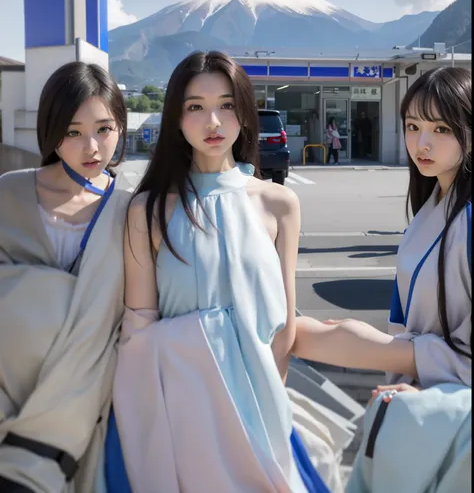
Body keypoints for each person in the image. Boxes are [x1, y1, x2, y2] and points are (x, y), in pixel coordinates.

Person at [105, 51, 330, 492]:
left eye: (227, 105)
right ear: (175, 118)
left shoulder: (279, 204)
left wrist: (266, 402)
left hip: (261, 412)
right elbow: (139, 330)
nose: (213, 121)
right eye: (195, 107)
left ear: (245, 114)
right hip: (183, 417)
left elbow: (283, 323)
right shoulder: (148, 210)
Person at [292, 67, 472, 492]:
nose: (420, 143)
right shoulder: (433, 208)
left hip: (443, 418)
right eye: (412, 126)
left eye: (441, 128)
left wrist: (393, 357)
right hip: (418, 409)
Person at [0, 62, 132, 492]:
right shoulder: (9, 192)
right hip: (8, 388)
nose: (91, 147)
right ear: (50, 130)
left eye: (104, 129)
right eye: (73, 132)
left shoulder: (132, 209)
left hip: (86, 400)